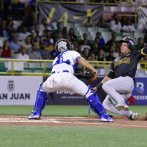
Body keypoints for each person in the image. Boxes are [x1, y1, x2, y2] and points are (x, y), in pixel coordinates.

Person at [28, 39, 113, 122]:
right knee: (88, 93)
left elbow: (62, 73)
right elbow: (79, 60)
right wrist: (91, 68)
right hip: (68, 78)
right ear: (68, 46)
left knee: (42, 89)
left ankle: (36, 113)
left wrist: (82, 75)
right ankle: (103, 115)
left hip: (53, 78)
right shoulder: (72, 52)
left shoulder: (56, 59)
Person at [93, 37, 147, 120]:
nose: (122, 46)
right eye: (122, 45)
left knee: (106, 86)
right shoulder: (115, 61)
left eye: (125, 45)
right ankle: (130, 114)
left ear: (130, 47)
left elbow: (145, 50)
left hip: (127, 81)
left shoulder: (134, 54)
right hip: (121, 89)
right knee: (106, 104)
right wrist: (97, 87)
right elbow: (108, 78)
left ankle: (121, 102)